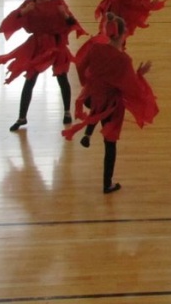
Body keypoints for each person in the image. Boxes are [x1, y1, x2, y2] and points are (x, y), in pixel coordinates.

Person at [62, 12, 158, 194]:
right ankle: (107, 184)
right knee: (110, 143)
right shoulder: (123, 60)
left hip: (93, 95)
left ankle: (88, 135)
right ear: (122, 35)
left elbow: (82, 66)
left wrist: (88, 83)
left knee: (95, 112)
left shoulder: (96, 48)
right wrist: (140, 75)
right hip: (111, 105)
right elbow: (131, 86)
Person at [0, 0, 87, 132]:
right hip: (38, 44)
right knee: (30, 79)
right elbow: (10, 21)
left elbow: (72, 22)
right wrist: (23, 12)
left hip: (56, 44)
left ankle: (67, 112)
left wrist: (65, 15)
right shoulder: (29, 3)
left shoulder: (58, 2)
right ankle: (22, 116)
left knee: (62, 77)